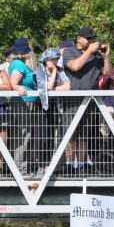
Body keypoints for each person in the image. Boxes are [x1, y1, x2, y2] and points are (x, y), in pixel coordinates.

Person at [63, 26, 113, 171]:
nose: (91, 41)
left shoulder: (96, 55)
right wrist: (89, 51)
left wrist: (106, 57)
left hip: (91, 100)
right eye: (88, 38)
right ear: (79, 38)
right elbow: (75, 66)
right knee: (71, 134)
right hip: (73, 100)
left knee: (85, 134)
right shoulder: (69, 51)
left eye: (92, 38)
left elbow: (108, 73)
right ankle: (69, 165)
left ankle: (82, 165)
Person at [36, 48, 70, 177]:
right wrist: (54, 73)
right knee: (42, 137)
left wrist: (53, 89)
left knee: (51, 137)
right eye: (53, 59)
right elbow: (47, 87)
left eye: (56, 59)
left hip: (55, 106)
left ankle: (48, 165)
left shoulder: (60, 70)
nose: (55, 62)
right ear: (46, 60)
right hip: (41, 107)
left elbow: (67, 87)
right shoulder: (39, 71)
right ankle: (41, 165)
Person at [8, 37, 39, 176]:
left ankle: (22, 168)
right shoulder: (18, 64)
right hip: (23, 102)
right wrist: (19, 87)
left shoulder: (21, 63)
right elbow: (12, 84)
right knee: (22, 135)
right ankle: (20, 169)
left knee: (25, 135)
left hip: (28, 101)